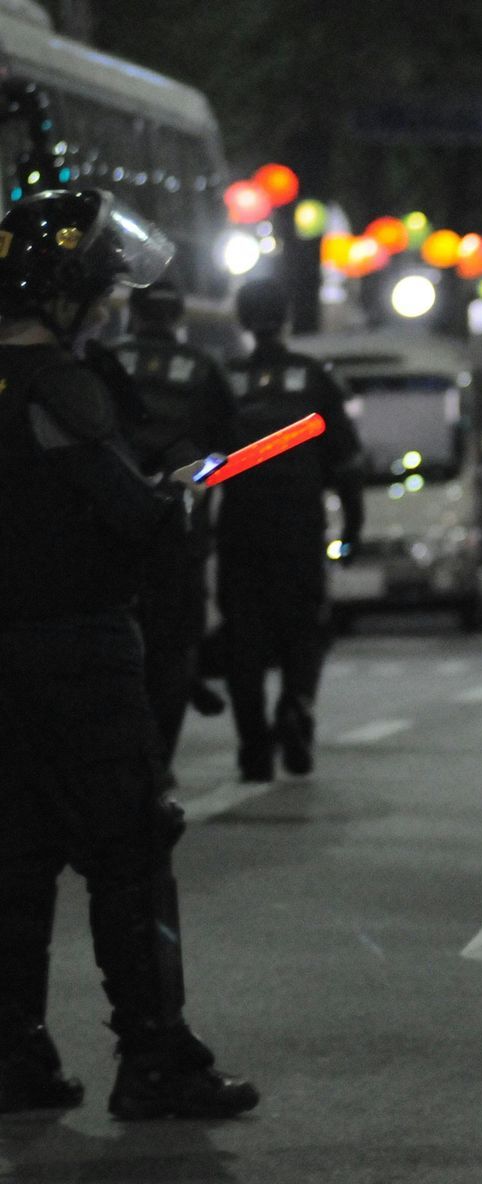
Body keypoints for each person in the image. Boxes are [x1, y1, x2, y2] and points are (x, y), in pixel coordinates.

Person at [0, 188, 258, 1119]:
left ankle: (16, 1055)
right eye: (99, 291)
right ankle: (154, 1056)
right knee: (130, 846)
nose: (108, 307)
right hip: (79, 651)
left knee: (16, 856)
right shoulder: (64, 388)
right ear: (64, 295)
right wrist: (176, 495)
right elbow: (132, 517)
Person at [219, 277, 364, 782]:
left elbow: (200, 462)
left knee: (244, 642)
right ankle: (297, 704)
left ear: (241, 317)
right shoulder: (314, 378)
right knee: (304, 630)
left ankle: (254, 749)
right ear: (286, 317)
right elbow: (346, 463)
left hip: (240, 528)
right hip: (300, 528)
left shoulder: (225, 379)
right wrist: (353, 531)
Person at [98, 277, 241, 769]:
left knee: (112, 642)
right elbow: (230, 449)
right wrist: (191, 481)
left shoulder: (104, 361)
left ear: (130, 314)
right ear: (178, 319)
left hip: (111, 527)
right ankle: (159, 762)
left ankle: (118, 756)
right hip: (179, 529)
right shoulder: (204, 370)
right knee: (173, 647)